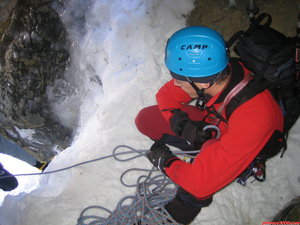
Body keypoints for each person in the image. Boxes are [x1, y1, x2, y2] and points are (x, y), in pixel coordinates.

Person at [135, 26, 284, 224]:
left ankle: (171, 217)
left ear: (203, 84)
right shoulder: (215, 73)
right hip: (219, 122)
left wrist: (167, 162)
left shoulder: (254, 116)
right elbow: (166, 95)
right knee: (146, 121)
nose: (175, 84)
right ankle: (198, 151)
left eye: (179, 80)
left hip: (246, 142)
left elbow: (199, 185)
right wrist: (182, 126)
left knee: (197, 186)